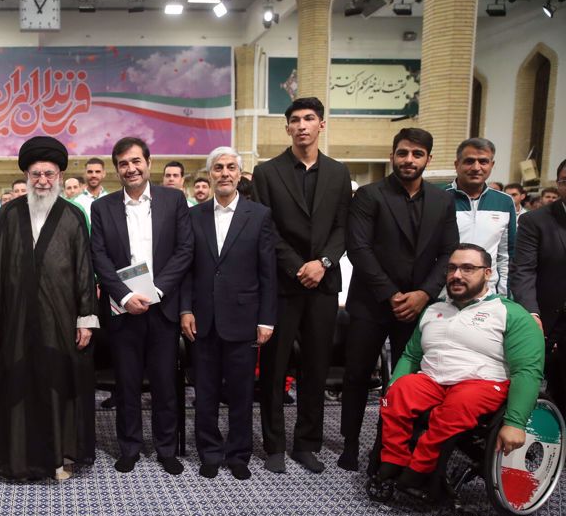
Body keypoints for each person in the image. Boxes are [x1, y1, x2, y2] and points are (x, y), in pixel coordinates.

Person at [0, 136, 98, 481]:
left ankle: (59, 457)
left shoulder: (73, 216)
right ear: (27, 176)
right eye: (36, 174)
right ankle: (20, 460)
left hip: (59, 317)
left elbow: (83, 270)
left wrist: (86, 319)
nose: (43, 180)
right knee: (20, 386)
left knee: (57, 384)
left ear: (59, 175)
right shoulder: (10, 213)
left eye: (49, 174)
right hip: (16, 319)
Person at [337, 128, 459, 471]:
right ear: (393, 155)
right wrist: (390, 294)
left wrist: (423, 294)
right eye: (403, 153)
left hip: (419, 305)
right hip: (371, 302)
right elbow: (357, 248)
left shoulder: (442, 200)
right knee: (357, 374)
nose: (409, 160)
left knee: (406, 382)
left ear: (428, 160)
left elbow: (450, 251)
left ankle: (385, 444)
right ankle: (349, 442)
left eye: (417, 154)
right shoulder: (369, 195)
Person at [376, 244, 544, 489]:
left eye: (467, 268)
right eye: (452, 268)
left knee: (459, 403)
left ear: (487, 273)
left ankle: (421, 467)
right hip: (432, 380)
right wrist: (393, 386)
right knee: (398, 391)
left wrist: (515, 423)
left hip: (482, 384)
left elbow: (527, 370)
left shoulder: (510, 313)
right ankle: (394, 459)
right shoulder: (433, 310)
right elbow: (412, 355)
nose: (456, 275)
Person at [252, 97, 351, 474]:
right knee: (275, 368)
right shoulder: (267, 172)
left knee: (315, 366)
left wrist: (323, 263)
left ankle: (306, 443)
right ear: (287, 127)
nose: (303, 125)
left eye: (310, 118)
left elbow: (343, 226)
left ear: (321, 125)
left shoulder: (339, 173)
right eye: (295, 120)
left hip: (324, 284)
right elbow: (267, 228)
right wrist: (298, 267)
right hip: (283, 283)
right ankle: (274, 445)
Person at [90, 136, 193, 476]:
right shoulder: (101, 207)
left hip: (162, 308)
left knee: (165, 385)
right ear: (116, 168)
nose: (130, 168)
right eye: (123, 164)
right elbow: (100, 257)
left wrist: (159, 291)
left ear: (149, 163)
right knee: (127, 385)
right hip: (123, 311)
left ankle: (166, 449)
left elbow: (184, 251)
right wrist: (124, 296)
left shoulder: (174, 199)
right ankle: (130, 448)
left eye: (136, 161)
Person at [179, 146, 277, 480]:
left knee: (241, 394)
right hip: (203, 320)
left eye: (230, 167)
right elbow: (187, 270)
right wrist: (185, 310)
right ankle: (208, 452)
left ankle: (238, 454)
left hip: (244, 319)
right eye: (218, 167)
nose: (224, 173)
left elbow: (268, 272)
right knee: (204, 393)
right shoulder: (194, 216)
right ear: (209, 174)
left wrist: (266, 319)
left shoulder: (259, 215)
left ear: (239, 173)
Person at [510, 158, 566, 411]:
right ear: (558, 184)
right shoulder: (536, 221)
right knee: (533, 388)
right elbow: (523, 271)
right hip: (546, 317)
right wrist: (531, 312)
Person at [445, 138, 516, 295]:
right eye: (469, 161)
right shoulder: (439, 198)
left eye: (483, 162)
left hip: (488, 293)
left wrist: (504, 296)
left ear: (492, 165)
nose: (476, 167)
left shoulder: (504, 202)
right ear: (457, 165)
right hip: (447, 291)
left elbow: (507, 255)